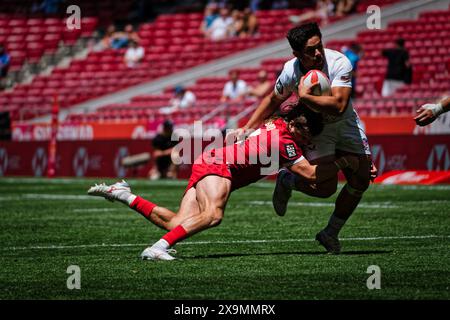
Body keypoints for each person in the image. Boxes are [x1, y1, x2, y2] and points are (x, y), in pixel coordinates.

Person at [87, 107, 360, 260]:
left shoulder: (277, 124)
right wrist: (343, 163)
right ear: (295, 126)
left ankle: (123, 194)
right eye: (307, 134)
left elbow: (280, 105)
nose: (308, 140)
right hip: (220, 166)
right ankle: (157, 248)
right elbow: (311, 175)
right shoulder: (284, 140)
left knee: (177, 223)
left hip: (211, 159)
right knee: (213, 215)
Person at [229, 22, 377, 254]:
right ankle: (287, 180)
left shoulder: (339, 62)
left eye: (319, 46)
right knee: (325, 187)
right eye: (310, 50)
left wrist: (305, 97)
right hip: (318, 130)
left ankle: (330, 233)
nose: (318, 53)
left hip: (346, 124)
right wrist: (248, 126)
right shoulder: (291, 70)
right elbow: (273, 99)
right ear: (297, 54)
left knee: (361, 180)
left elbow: (338, 106)